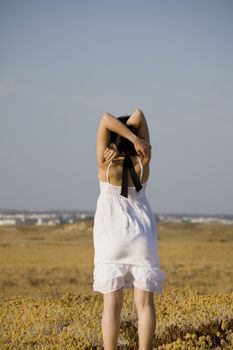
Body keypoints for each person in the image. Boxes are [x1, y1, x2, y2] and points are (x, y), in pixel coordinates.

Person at [93, 108, 166, 350]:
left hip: (110, 235)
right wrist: (136, 139)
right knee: (144, 304)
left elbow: (105, 118)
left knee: (111, 305)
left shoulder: (105, 163)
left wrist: (126, 138)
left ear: (113, 139)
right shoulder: (143, 159)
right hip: (141, 233)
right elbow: (139, 114)